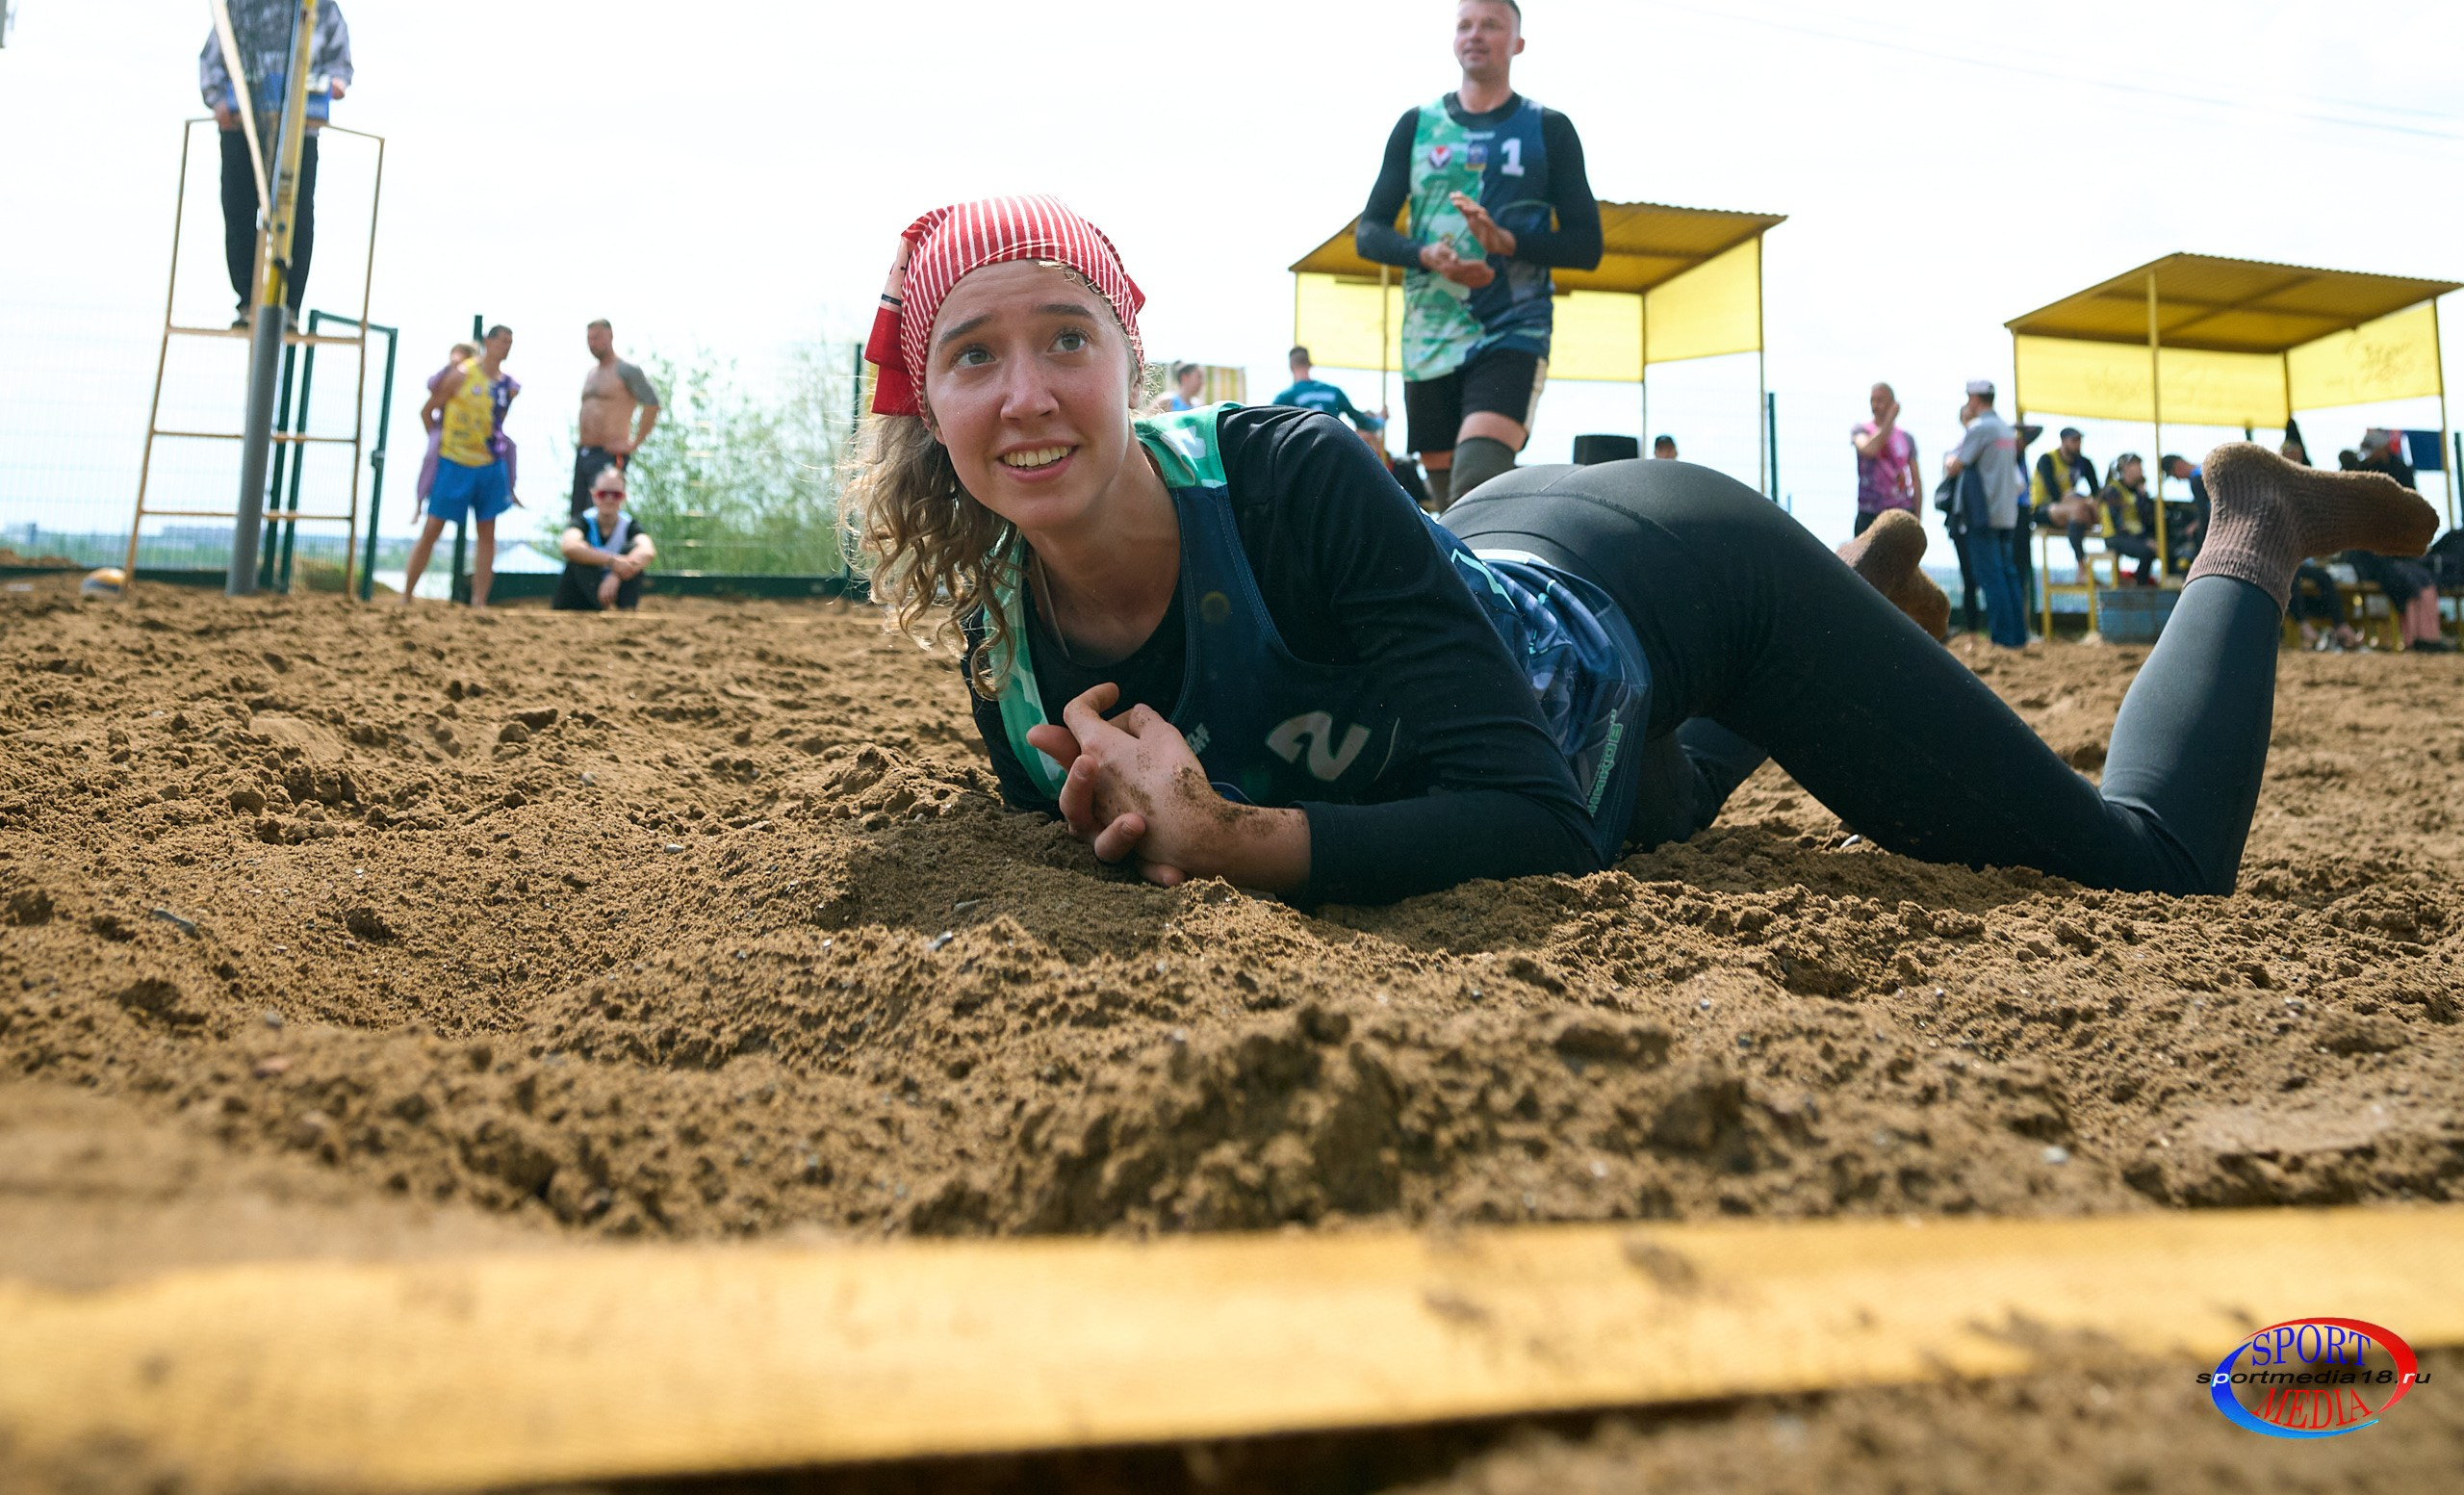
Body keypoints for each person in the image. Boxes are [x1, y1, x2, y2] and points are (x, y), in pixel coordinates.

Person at [843, 194, 2438, 910]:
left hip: (1672, 579)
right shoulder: (1003, 648)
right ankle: (1869, 604)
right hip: (1533, 645)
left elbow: (1535, 822)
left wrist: (1231, 837)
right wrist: (1126, 816)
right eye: (975, 356)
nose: (1028, 391)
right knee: (1652, 801)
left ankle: (2256, 524)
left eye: (1067, 335)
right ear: (932, 409)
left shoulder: (1289, 477)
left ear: (1132, 357)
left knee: (2148, 867)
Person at [1354, 0, 1602, 509]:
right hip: (1430, 335)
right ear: (1453, 39)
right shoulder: (1416, 125)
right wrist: (1427, 254)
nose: (1475, 34)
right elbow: (1369, 233)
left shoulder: (1548, 128)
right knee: (1450, 510)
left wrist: (1508, 243)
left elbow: (1587, 244)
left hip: (1513, 329)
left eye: (1491, 25)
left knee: (1477, 479)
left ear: (1517, 43)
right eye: (1464, 25)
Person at [200, 1, 352, 325]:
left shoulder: (320, 6)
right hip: (242, 126)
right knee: (239, 210)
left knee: (296, 214)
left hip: (298, 131)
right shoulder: (239, 5)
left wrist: (332, 86)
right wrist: (217, 100)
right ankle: (248, 302)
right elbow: (214, 55)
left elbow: (340, 67)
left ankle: (288, 306)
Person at [403, 325, 518, 607]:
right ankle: (406, 596)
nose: (507, 346)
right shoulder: (462, 375)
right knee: (433, 528)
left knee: (487, 531)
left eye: (510, 342)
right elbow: (427, 411)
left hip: (489, 464)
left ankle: (479, 602)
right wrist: (438, 443)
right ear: (488, 342)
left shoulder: (507, 385)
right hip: (453, 462)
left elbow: (498, 423)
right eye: (502, 341)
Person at [2345, 431, 2448, 651]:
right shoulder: (2362, 470)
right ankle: (2416, 637)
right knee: (2410, 583)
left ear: (2383, 449)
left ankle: (2425, 637)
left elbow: (2411, 508)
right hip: (2375, 552)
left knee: (2422, 582)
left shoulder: (2400, 471)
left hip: (2397, 548)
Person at [1942, 380, 2026, 648]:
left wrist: (1949, 459)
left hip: (1983, 515)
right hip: (2007, 514)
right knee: (2008, 574)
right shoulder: (2005, 429)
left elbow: (1955, 466)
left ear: (1976, 399)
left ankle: (2002, 638)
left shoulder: (1979, 428)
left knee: (1991, 578)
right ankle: (2018, 636)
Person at [572, 320, 663, 519]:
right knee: (578, 519)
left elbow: (652, 404)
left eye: (597, 338)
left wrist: (634, 443)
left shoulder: (626, 370)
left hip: (608, 455)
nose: (592, 344)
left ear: (610, 336)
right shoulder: (592, 373)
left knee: (601, 514)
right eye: (589, 339)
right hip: (584, 454)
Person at [554, 465, 655, 611]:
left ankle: (622, 610)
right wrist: (612, 561)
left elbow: (647, 551)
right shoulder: (582, 521)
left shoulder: (629, 525)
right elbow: (569, 546)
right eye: (603, 494)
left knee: (633, 552)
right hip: (580, 599)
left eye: (616, 495)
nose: (609, 499)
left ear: (624, 496)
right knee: (578, 557)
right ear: (593, 494)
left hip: (617, 593)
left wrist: (616, 575)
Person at [1850, 383, 1921, 536]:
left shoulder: (1906, 438)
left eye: (1880, 400)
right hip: (1869, 512)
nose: (1875, 405)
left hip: (1900, 511)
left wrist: (1917, 518)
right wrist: (1889, 422)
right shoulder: (1860, 430)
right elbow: (1869, 449)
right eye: (1872, 400)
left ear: (1892, 403)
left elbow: (1916, 480)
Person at [415, 341, 477, 512]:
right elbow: (430, 389)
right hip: (446, 429)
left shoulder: (478, 379)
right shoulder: (447, 377)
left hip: (473, 432)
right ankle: (420, 499)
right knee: (431, 454)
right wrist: (449, 369)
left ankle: (509, 491)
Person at [1272, 348, 1387, 436]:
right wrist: (1381, 420)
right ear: (1310, 364)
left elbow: (1269, 426)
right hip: (1332, 451)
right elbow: (1362, 421)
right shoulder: (1334, 392)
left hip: (1304, 455)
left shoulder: (1286, 397)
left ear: (1291, 367)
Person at [2088, 454, 2162, 586]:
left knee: (2163, 546)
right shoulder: (2113, 490)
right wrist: (2144, 540)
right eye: (2137, 466)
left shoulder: (2137, 491)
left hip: (2135, 535)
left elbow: (2148, 520)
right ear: (2125, 468)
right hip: (2115, 536)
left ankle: (2144, 581)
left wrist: (2144, 497)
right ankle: (2140, 585)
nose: (2141, 470)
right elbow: (2118, 524)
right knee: (2147, 551)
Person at [2032, 426, 2097, 567]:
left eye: (2079, 440)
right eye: (2074, 440)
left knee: (2094, 510)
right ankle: (2081, 566)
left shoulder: (2083, 462)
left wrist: (2088, 502)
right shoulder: (2047, 459)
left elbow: (2096, 493)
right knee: (2078, 509)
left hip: (2071, 509)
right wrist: (2080, 500)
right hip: (2043, 509)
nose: (2078, 445)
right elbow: (2055, 495)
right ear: (2063, 441)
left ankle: (2092, 565)